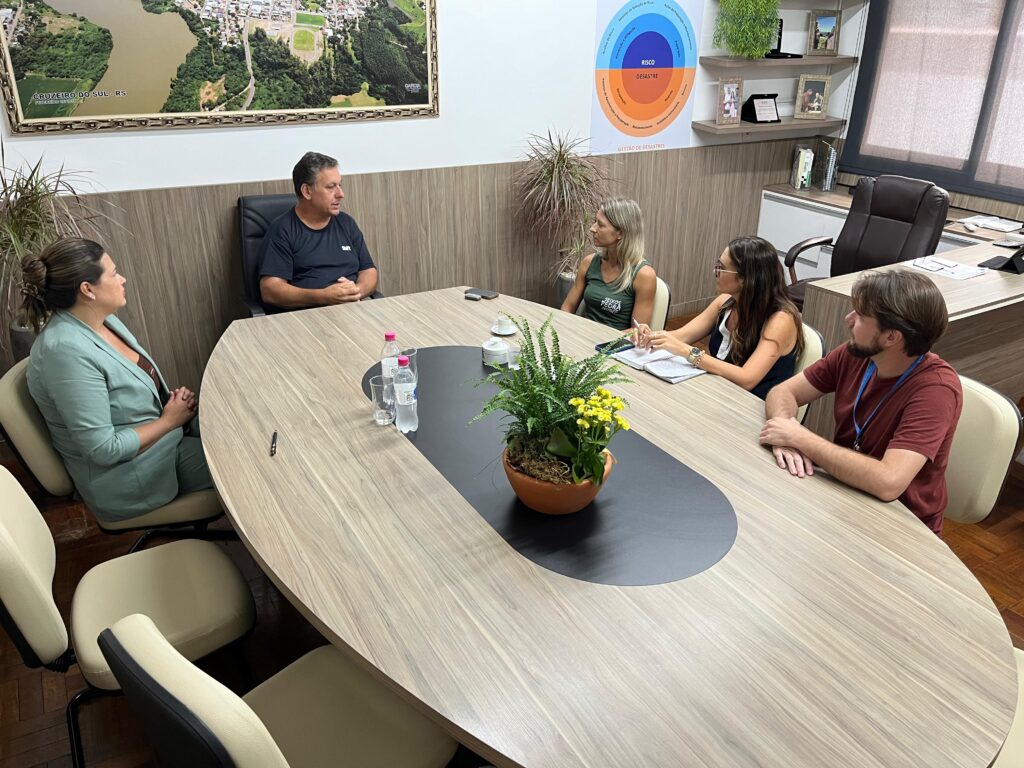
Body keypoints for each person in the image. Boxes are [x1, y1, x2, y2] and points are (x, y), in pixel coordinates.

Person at [21, 238, 212, 524]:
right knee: (243, 460)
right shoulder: (64, 353)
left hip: (163, 437)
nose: (122, 279)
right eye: (113, 274)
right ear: (88, 290)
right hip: (132, 474)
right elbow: (103, 449)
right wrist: (169, 421)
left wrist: (173, 407)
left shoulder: (102, 320)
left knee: (236, 424)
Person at [760, 269, 962, 535]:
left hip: (901, 524)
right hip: (844, 493)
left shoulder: (936, 390)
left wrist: (799, 438)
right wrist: (784, 433)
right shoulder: (855, 353)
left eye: (861, 316)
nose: (849, 318)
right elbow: (783, 392)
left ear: (891, 337)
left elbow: (889, 482)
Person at [634, 236, 802, 400]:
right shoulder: (725, 302)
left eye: (721, 267)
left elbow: (747, 379)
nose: (715, 272)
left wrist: (687, 351)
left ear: (744, 279)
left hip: (751, 407)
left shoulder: (780, 321)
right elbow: (681, 336)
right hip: (719, 393)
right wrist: (651, 336)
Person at [259, 151, 378, 313]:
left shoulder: (346, 223)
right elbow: (270, 290)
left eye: (340, 185)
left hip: (353, 310)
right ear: (307, 191)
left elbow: (369, 271)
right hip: (307, 317)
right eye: (331, 187)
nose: (340, 194)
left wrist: (355, 292)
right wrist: (324, 296)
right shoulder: (282, 229)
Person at [560, 197, 657, 331]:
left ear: (620, 233)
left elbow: (637, 332)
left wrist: (601, 341)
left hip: (615, 342)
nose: (592, 228)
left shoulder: (644, 275)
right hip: (582, 336)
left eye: (600, 225)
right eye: (595, 222)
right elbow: (567, 307)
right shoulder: (588, 262)